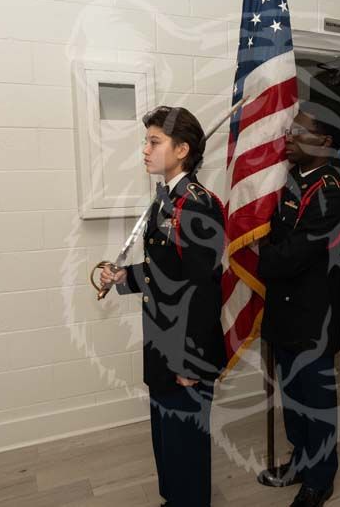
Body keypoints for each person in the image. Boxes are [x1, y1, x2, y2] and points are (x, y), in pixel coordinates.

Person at [100, 106, 226, 507]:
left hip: (184, 351)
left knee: (186, 447)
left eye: (155, 142)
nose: (145, 149)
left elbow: (203, 288)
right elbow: (164, 270)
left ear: (182, 149)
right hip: (162, 342)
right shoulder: (166, 199)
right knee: (167, 441)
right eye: (146, 141)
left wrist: (189, 361)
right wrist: (125, 278)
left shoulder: (198, 204)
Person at [257, 101, 340, 507]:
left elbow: (291, 255)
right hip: (284, 312)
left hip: (312, 317)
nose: (289, 137)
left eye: (300, 132)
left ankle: (320, 476)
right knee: (292, 398)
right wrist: (273, 252)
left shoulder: (328, 190)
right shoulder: (293, 179)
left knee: (315, 402)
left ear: (325, 142)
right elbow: (281, 247)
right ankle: (299, 459)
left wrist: (264, 254)